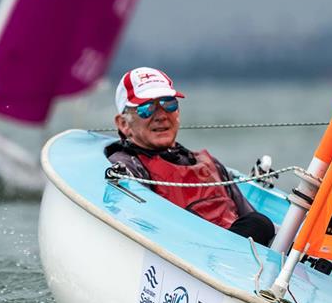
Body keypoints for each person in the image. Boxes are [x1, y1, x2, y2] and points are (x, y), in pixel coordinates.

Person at [106, 67, 275, 246]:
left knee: (260, 224)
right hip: (186, 258)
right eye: (147, 109)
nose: (161, 115)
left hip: (237, 265)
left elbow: (249, 216)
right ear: (123, 124)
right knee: (258, 225)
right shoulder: (127, 167)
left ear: (178, 113)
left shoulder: (210, 164)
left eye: (168, 104)